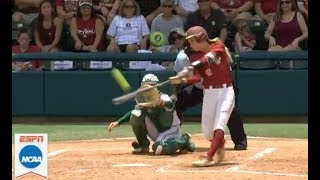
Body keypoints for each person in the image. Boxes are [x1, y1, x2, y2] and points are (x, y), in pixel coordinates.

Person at [169, 26, 236, 167]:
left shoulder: (217, 46)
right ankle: (220, 143)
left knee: (220, 123)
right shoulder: (196, 56)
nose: (190, 45)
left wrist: (189, 68)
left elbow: (208, 59)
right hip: (209, 93)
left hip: (225, 92)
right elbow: (198, 77)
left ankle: (209, 156)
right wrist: (182, 80)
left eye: (192, 41)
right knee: (207, 133)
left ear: (200, 38)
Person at [173, 48, 247, 151]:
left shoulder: (212, 54)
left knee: (230, 111)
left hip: (219, 87)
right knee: (177, 104)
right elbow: (179, 74)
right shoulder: (182, 57)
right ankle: (173, 136)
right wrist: (175, 93)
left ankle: (240, 141)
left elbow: (224, 74)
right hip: (198, 88)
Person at [108, 74, 195, 155]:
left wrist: (160, 103)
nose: (148, 89)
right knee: (136, 114)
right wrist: (119, 122)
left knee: (158, 149)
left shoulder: (163, 97)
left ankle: (184, 140)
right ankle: (143, 146)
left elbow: (170, 104)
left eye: (152, 85)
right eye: (146, 86)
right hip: (155, 130)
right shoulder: (142, 99)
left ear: (157, 87)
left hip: (170, 130)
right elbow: (134, 112)